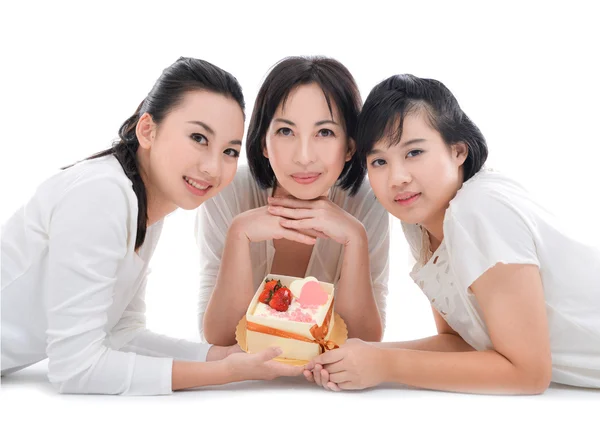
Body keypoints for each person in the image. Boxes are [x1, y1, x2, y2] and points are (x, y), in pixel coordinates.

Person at [1, 57, 302, 396]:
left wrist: (219, 356)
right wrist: (224, 373)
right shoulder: (102, 195)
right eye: (199, 138)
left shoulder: (142, 202)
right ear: (147, 130)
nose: (213, 167)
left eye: (230, 151)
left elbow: (121, 332)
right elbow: (76, 368)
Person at [304, 73, 600, 394]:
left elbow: (528, 373)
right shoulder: (422, 222)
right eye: (379, 161)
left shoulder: (480, 208)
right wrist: (366, 353)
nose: (397, 177)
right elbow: (461, 342)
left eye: (414, 152)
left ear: (458, 151)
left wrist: (386, 366)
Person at [196, 56, 390, 346]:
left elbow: (364, 342)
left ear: (349, 146)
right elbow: (219, 338)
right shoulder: (229, 191)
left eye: (324, 132)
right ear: (264, 142)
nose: (304, 157)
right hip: (250, 389)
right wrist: (239, 234)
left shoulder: (366, 200)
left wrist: (355, 238)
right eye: (286, 131)